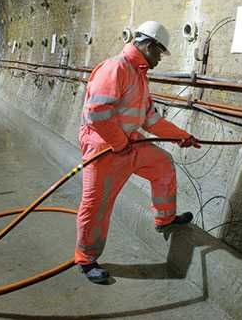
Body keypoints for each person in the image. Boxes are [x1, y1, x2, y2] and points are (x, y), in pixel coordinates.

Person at [76, 21, 201, 283]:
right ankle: (86, 260)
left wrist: (182, 136)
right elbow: (96, 112)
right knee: (97, 206)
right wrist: (119, 143)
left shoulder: (139, 75)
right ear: (147, 44)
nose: (159, 59)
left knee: (163, 165)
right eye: (159, 52)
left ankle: (164, 219)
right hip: (104, 149)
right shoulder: (116, 68)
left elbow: (150, 119)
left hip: (129, 145)